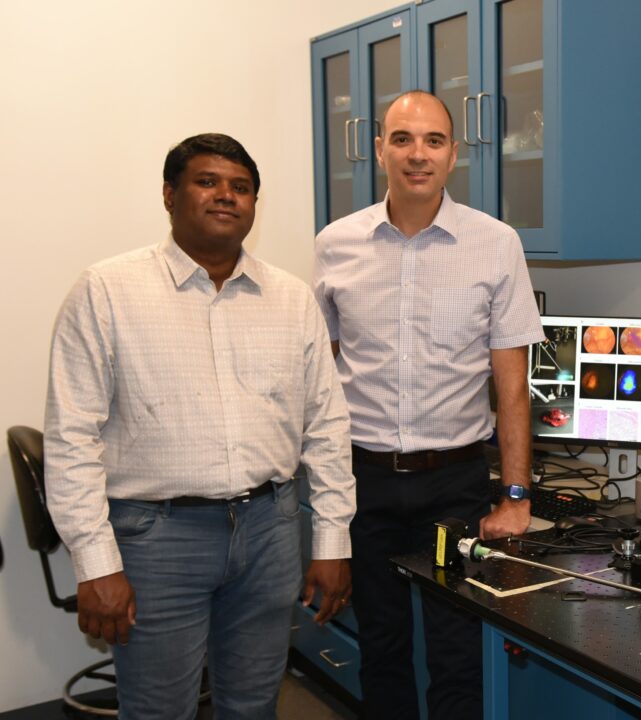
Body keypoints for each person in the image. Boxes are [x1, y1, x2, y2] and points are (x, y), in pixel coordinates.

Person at [44, 133, 356, 719]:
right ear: (169, 195)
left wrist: (332, 541)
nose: (226, 196)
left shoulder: (290, 299)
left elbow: (328, 429)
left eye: (241, 187)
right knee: (160, 710)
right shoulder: (107, 291)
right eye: (207, 182)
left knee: (254, 705)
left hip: (270, 528)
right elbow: (71, 438)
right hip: (157, 539)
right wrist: (95, 562)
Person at [313, 90, 545, 719]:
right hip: (363, 483)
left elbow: (512, 386)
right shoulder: (336, 244)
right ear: (379, 148)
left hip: (455, 486)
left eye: (434, 141)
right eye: (404, 139)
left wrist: (517, 497)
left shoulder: (496, 244)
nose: (418, 155)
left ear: (453, 153)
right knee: (382, 648)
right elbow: (319, 382)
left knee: (457, 651)